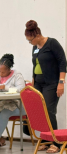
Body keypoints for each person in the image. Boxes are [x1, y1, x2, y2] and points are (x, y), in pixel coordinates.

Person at [25, 20, 66, 153]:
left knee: (49, 110)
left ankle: (56, 143)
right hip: (38, 83)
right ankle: (45, 141)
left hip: (51, 83)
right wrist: (32, 82)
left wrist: (61, 82)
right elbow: (35, 65)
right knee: (39, 112)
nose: (30, 43)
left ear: (37, 36)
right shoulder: (35, 47)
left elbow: (62, 62)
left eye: (30, 40)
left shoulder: (52, 43)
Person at [0, 54, 26, 150]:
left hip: (17, 105)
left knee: (4, 114)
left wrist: (5, 87)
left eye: (3, 72)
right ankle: (0, 139)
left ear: (9, 70)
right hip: (2, 103)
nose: (0, 74)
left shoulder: (17, 75)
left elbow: (21, 90)